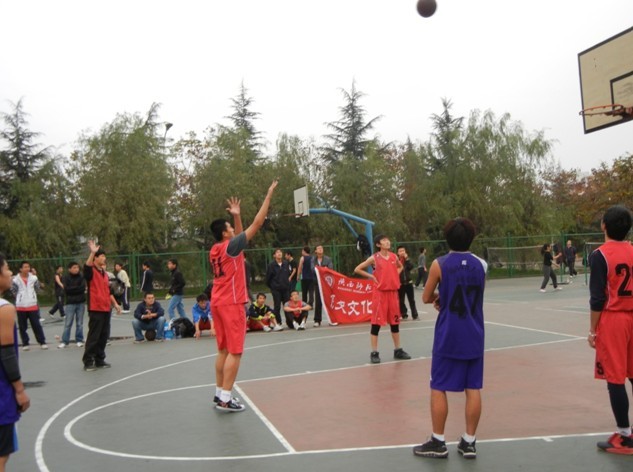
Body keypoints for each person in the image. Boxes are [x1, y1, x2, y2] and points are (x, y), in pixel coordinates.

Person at [413, 217, 487, 459]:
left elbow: (426, 297)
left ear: (447, 238)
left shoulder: (439, 264)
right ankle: (469, 442)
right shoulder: (482, 265)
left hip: (449, 334)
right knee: (473, 387)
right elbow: (471, 293)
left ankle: (438, 441)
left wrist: (440, 297)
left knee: (438, 386)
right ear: (471, 238)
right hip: (474, 333)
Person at [209, 180, 277, 412]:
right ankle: (226, 399)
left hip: (218, 301)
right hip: (232, 303)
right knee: (235, 352)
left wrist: (236, 216)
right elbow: (257, 223)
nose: (232, 229)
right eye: (230, 227)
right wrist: (268, 195)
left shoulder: (216, 249)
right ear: (224, 233)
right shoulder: (230, 247)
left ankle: (219, 393)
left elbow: (239, 236)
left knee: (223, 350)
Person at [588, 205, 633, 454]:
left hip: (614, 319)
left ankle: (625, 436)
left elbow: (597, 299)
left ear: (603, 225)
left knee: (615, 378)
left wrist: (592, 330)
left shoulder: (600, 255)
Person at [354, 235, 411, 364]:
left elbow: (400, 267)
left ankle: (398, 350)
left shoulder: (394, 257)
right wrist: (372, 277)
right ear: (378, 244)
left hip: (393, 293)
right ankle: (374, 352)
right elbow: (357, 269)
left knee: (395, 322)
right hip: (380, 294)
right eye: (384, 240)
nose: (387, 242)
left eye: (388, 240)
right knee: (376, 324)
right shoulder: (374, 258)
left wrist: (394, 275)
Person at [0, 253, 30, 472]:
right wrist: (19, 389)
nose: (10, 272)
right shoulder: (5, 309)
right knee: (1, 455)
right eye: (7, 268)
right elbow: (6, 353)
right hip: (2, 393)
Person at [83, 240, 122, 371]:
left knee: (103, 335)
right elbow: (87, 267)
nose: (104, 258)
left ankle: (100, 359)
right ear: (95, 258)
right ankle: (88, 361)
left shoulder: (105, 274)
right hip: (96, 308)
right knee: (94, 335)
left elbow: (108, 291)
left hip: (106, 308)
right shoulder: (91, 272)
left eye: (105, 256)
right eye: (102, 256)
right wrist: (92, 252)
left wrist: (115, 304)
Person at [11, 261, 47, 351]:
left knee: (36, 325)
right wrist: (20, 298)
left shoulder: (34, 278)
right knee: (22, 326)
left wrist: (40, 288)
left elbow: (37, 288)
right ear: (20, 269)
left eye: (28, 267)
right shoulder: (15, 279)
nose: (27, 268)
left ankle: (42, 342)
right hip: (21, 306)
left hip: (32, 305)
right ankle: (25, 343)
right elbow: (13, 291)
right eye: (25, 267)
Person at [58, 262, 86, 349]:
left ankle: (79, 340)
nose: (76, 269)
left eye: (77, 267)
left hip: (80, 302)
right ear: (69, 269)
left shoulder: (82, 276)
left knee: (79, 323)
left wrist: (73, 289)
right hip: (70, 303)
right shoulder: (65, 277)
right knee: (68, 323)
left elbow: (82, 288)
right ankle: (65, 341)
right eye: (74, 267)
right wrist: (76, 288)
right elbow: (66, 289)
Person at [265, 248, 291, 327]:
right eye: (277, 252)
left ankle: (290, 322)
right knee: (277, 306)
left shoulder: (286, 263)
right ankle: (278, 322)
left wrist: (287, 284)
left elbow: (288, 274)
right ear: (274, 255)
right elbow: (268, 278)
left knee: (287, 306)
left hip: (285, 289)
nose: (279, 253)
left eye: (280, 252)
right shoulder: (271, 265)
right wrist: (273, 286)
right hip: (276, 289)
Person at [313, 245, 336, 326]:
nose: (320, 249)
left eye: (321, 248)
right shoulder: (313, 260)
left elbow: (330, 269)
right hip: (317, 283)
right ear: (315, 251)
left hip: (326, 283)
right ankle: (317, 320)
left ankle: (332, 319)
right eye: (318, 248)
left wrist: (320, 269)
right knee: (318, 301)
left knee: (329, 301)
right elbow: (313, 269)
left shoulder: (328, 259)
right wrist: (323, 268)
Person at [397, 246, 419, 320]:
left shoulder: (408, 260)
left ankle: (415, 314)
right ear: (398, 253)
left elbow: (411, 267)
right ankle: (404, 314)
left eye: (403, 251)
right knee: (401, 300)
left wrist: (407, 259)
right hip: (400, 283)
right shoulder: (396, 261)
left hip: (409, 282)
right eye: (400, 251)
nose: (402, 252)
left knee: (411, 300)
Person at [297, 246, 315, 318]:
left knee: (304, 292)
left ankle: (304, 304)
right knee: (311, 292)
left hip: (304, 277)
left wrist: (298, 275)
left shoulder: (302, 258)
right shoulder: (312, 258)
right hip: (312, 277)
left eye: (302, 251)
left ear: (304, 251)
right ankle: (310, 304)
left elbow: (300, 267)